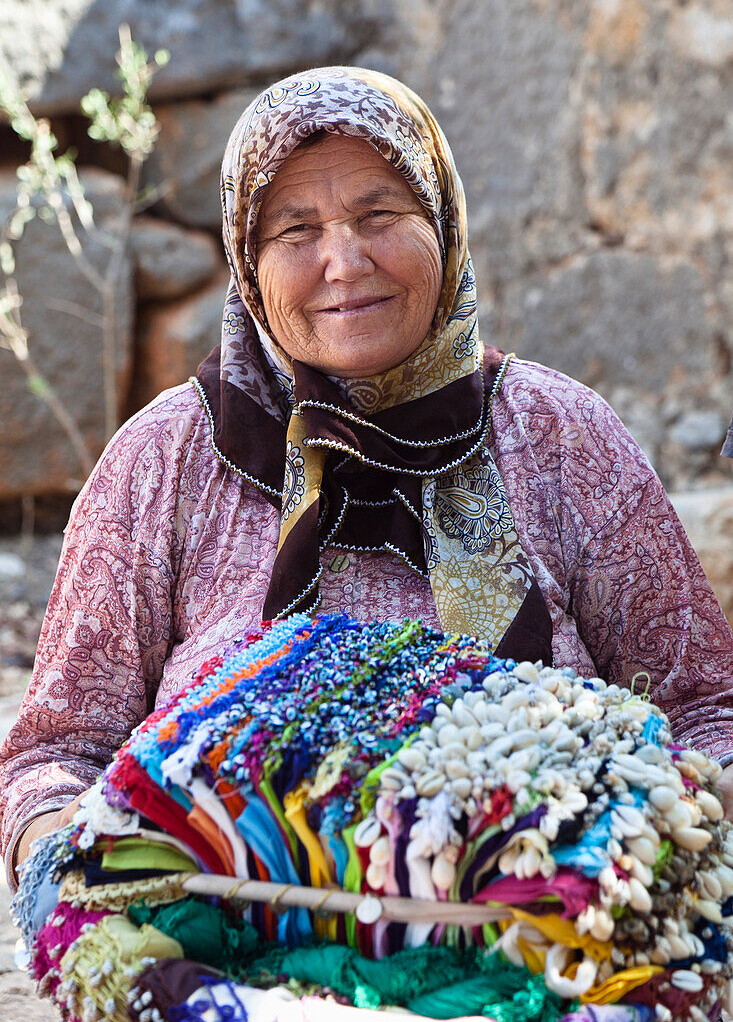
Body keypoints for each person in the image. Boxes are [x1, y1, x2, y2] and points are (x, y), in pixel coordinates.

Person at [3, 66, 733, 887]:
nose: (343, 263)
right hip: (240, 940)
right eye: (295, 230)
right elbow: (57, 755)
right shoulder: (166, 459)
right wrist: (79, 866)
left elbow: (705, 711)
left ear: (443, 222)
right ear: (247, 255)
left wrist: (670, 834)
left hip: (540, 926)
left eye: (378, 214)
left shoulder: (560, 436)